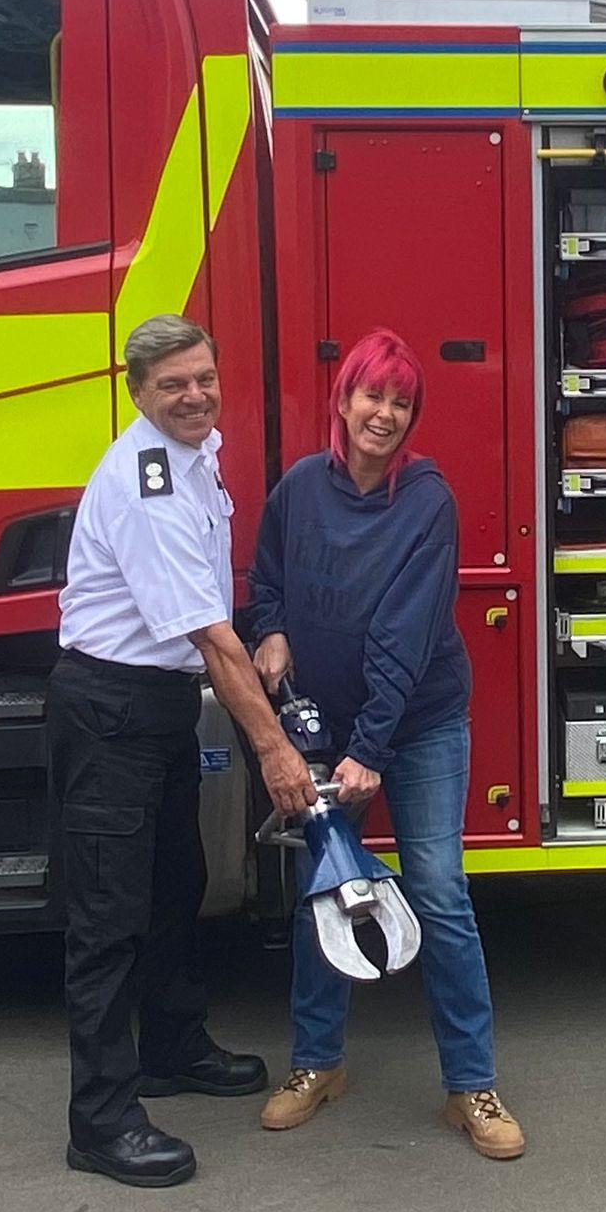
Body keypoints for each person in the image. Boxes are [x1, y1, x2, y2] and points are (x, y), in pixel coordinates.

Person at [51, 312, 319, 1189]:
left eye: (204, 377)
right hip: (112, 713)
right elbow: (210, 638)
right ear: (138, 394)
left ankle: (169, 1047)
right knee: (108, 918)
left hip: (157, 707)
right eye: (174, 385)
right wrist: (276, 754)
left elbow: (211, 614)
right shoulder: (147, 480)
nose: (195, 394)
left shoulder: (197, 457)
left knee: (176, 889)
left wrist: (263, 639)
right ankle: (100, 1120)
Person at [246, 328, 524, 1161]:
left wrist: (370, 747)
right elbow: (266, 577)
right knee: (324, 893)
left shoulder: (426, 500)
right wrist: (272, 630)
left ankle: (471, 1085)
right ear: (344, 399)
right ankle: (316, 1064)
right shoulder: (299, 487)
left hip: (418, 723)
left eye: (402, 404)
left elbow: (405, 636)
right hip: (325, 727)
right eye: (375, 396)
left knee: (438, 892)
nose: (386, 414)